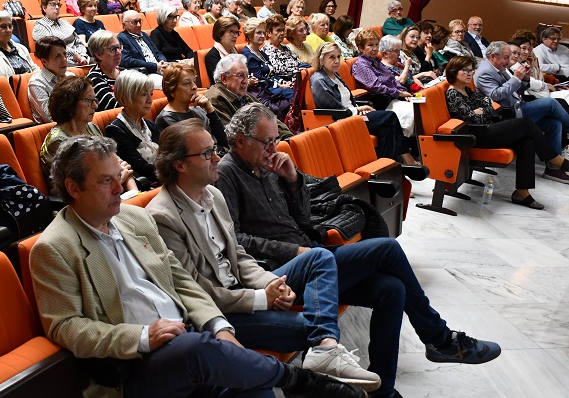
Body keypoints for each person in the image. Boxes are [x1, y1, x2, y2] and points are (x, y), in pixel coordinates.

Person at [30, 135, 362, 398]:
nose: (120, 189)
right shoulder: (54, 247)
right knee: (196, 348)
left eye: (118, 177)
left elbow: (183, 282)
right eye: (106, 182)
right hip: (135, 365)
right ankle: (298, 380)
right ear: (73, 188)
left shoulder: (134, 218)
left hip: (190, 336)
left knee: (252, 385)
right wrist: (143, 336)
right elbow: (65, 327)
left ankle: (287, 378)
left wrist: (219, 327)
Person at [215, 103, 501, 398]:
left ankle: (384, 391)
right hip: (279, 273)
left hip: (311, 257)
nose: (274, 148)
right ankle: (439, 338)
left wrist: (292, 181)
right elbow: (236, 240)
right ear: (240, 140)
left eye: (276, 140)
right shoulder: (226, 174)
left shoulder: (270, 165)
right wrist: (295, 251)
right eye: (267, 141)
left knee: (392, 289)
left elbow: (302, 219)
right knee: (387, 249)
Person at [146, 119, 382, 391]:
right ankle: (324, 352)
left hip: (245, 286)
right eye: (207, 153)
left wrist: (269, 283)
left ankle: (325, 350)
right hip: (221, 311)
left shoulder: (212, 195)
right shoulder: (163, 216)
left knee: (321, 258)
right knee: (314, 328)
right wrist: (261, 298)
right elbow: (197, 291)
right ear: (180, 164)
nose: (217, 158)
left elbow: (238, 253)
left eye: (215, 149)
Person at [443, 56, 569, 207]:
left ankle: (522, 192)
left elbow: (489, 104)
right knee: (526, 124)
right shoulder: (453, 94)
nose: (470, 73)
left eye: (471, 70)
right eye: (465, 70)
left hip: (486, 128)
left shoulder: (466, 90)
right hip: (476, 135)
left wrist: (482, 110)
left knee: (526, 142)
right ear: (454, 72)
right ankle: (555, 159)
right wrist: (484, 110)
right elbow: (472, 120)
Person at [474, 41, 569, 183]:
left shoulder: (498, 67)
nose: (507, 61)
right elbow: (495, 95)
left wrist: (525, 79)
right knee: (551, 103)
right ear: (493, 56)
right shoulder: (485, 71)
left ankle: (553, 169)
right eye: (506, 57)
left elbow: (515, 92)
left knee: (554, 124)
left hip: (516, 106)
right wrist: (516, 78)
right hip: (505, 114)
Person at [313, 42, 416, 164]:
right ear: (321, 59)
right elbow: (335, 109)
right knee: (390, 116)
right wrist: (358, 110)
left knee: (386, 130)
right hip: (344, 120)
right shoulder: (319, 80)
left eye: (338, 57)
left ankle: (386, 166)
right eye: (331, 57)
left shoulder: (334, 75)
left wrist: (358, 108)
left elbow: (348, 100)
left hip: (353, 114)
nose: (336, 61)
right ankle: (406, 157)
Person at [38, 75, 138, 189]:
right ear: (70, 103)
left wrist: (135, 193)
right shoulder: (58, 141)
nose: (95, 106)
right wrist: (118, 179)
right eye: (88, 100)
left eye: (94, 100)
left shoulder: (91, 127)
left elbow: (120, 165)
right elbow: (84, 188)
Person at [206, 54, 294, 141]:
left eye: (247, 76)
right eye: (240, 75)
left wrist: (289, 138)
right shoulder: (216, 99)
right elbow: (232, 138)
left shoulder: (242, 94)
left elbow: (270, 118)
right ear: (224, 79)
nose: (245, 81)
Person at [104, 70, 162, 184]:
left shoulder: (150, 125)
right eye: (144, 94)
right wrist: (174, 174)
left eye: (151, 93)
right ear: (125, 98)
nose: (150, 100)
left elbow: (168, 152)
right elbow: (138, 166)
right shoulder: (115, 130)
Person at [155, 63, 229, 151]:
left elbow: (225, 141)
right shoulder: (166, 118)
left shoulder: (199, 110)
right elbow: (194, 151)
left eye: (194, 81)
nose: (194, 87)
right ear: (171, 90)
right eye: (187, 83)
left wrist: (210, 109)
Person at [241, 18, 292, 119]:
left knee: (295, 91)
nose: (263, 36)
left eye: (263, 33)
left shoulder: (261, 52)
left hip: (272, 87)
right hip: (264, 91)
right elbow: (258, 78)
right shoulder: (247, 55)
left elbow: (273, 72)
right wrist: (279, 85)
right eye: (258, 33)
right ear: (250, 35)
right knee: (293, 94)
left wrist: (282, 81)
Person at [32, 0, 90, 67]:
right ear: (44, 7)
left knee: (102, 63)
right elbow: (52, 47)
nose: (57, 7)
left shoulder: (65, 23)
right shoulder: (40, 26)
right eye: (53, 4)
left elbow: (78, 41)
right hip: (60, 62)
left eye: (58, 5)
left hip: (80, 58)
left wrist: (83, 56)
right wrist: (75, 54)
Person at [0, 10, 38, 78]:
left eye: (10, 26)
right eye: (3, 27)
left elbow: (34, 69)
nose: (8, 30)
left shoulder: (21, 48)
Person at [28, 36, 75, 123]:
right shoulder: (37, 83)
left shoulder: (71, 76)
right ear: (44, 62)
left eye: (65, 54)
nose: (64, 59)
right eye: (58, 56)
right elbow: (51, 118)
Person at [117, 10, 166, 89]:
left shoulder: (144, 35)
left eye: (139, 21)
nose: (139, 25)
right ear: (124, 24)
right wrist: (154, 66)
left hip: (159, 68)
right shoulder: (121, 38)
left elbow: (157, 52)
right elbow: (127, 60)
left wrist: (163, 62)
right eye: (134, 22)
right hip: (145, 73)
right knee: (171, 84)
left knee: (184, 77)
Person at [261, 14, 309, 83]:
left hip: (301, 78)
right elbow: (280, 72)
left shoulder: (285, 47)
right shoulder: (266, 51)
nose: (282, 33)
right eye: (278, 30)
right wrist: (300, 70)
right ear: (269, 33)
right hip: (288, 84)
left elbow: (299, 63)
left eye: (283, 30)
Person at [86, 30, 122, 111]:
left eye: (119, 47)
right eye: (113, 49)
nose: (118, 52)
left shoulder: (123, 72)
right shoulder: (94, 79)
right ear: (98, 55)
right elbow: (114, 106)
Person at [204, 17, 241, 86]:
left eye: (237, 32)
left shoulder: (234, 51)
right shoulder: (212, 56)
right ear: (220, 34)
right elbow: (222, 82)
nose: (235, 36)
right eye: (231, 32)